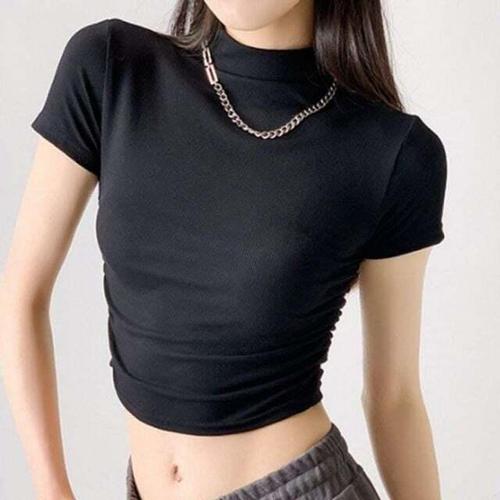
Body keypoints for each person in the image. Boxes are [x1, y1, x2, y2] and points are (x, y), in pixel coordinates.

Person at [0, 0, 447, 499]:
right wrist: (51, 489)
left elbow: (394, 396)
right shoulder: (111, 67)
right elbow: (22, 294)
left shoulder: (394, 153)